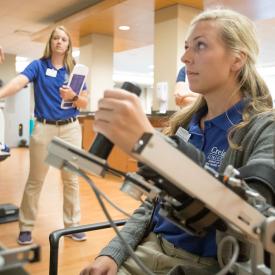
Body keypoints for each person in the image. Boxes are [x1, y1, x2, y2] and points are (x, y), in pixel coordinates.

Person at [80, 8, 274, 275]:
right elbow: (153, 202)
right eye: (186, 47)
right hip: (150, 248)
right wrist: (114, 252)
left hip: (208, 265)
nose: (185, 57)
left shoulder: (264, 129)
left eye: (200, 46)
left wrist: (154, 148)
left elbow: (252, 214)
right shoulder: (184, 122)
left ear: (237, 59)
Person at [0, 26, 89, 245]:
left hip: (70, 128)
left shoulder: (75, 70)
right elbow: (19, 81)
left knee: (71, 180)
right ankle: (26, 227)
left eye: (64, 39)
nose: (59, 41)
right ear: (50, 42)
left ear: (69, 45)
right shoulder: (38, 66)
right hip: (43, 128)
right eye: (56, 38)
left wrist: (74, 96)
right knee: (35, 180)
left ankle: (73, 225)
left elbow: (85, 102)